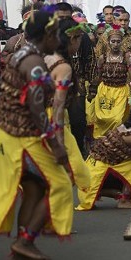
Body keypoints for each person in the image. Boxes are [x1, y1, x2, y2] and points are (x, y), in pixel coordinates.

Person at [0, 9, 74, 259]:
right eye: (57, 35)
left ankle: (21, 246)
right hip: (19, 136)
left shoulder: (22, 53)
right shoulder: (34, 64)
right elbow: (37, 111)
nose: (60, 41)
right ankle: (26, 241)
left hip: (7, 131)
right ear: (48, 34)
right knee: (61, 184)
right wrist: (56, 146)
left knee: (34, 186)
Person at [44, 17, 91, 194]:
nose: (80, 42)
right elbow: (57, 106)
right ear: (71, 39)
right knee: (74, 171)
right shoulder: (63, 67)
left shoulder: (44, 56)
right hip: (51, 121)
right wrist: (60, 142)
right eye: (79, 37)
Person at [92, 25, 131, 138]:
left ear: (121, 42)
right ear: (108, 42)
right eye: (113, 41)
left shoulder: (126, 57)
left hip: (121, 91)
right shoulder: (102, 58)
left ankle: (116, 140)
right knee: (101, 118)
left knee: (117, 118)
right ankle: (102, 140)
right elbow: (97, 75)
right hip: (105, 91)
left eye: (118, 41)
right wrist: (92, 90)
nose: (115, 44)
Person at [95, 10, 131, 82]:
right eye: (120, 20)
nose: (123, 23)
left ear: (129, 21)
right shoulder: (105, 37)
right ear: (114, 20)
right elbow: (98, 57)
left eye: (125, 20)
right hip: (110, 79)